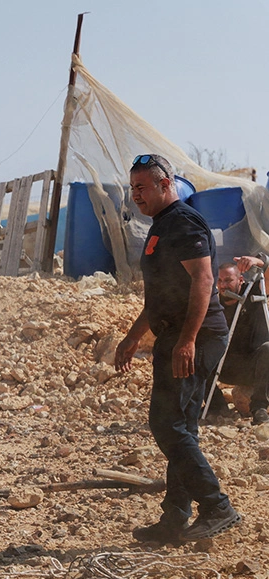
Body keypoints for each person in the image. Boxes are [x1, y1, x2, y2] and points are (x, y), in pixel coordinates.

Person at [115, 153, 241, 543]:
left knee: (167, 424)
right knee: (181, 426)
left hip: (197, 337)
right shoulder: (159, 227)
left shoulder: (183, 223)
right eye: (132, 188)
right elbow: (162, 296)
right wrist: (134, 336)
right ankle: (175, 519)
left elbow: (203, 282)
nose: (136, 195)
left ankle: (217, 505)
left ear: (165, 185)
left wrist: (187, 340)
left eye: (142, 187)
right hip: (173, 334)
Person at [215, 257, 269, 423]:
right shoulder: (214, 303)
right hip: (226, 366)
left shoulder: (253, 292)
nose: (223, 285)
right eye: (220, 281)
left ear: (240, 279)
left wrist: (260, 263)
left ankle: (259, 408)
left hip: (256, 366)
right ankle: (216, 407)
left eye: (228, 280)